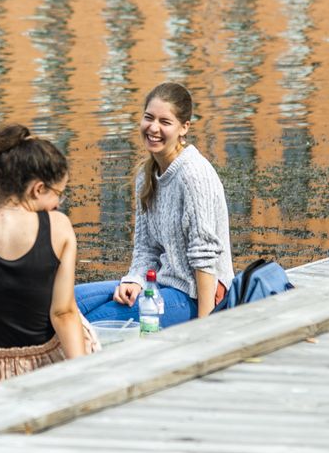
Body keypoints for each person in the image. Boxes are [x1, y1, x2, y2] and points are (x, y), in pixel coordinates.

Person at [0, 123, 96, 395]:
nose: (58, 204)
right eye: (58, 194)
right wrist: (81, 381)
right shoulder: (57, 226)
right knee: (79, 318)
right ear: (38, 189)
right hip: (47, 366)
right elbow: (63, 313)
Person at [76, 82, 235, 327]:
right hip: (160, 284)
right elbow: (145, 248)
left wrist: (206, 328)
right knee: (67, 303)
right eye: (149, 118)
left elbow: (205, 258)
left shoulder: (193, 174)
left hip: (194, 295)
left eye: (165, 122)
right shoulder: (146, 175)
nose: (153, 128)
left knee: (91, 323)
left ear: (184, 127)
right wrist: (134, 281)